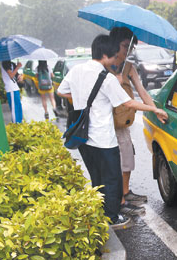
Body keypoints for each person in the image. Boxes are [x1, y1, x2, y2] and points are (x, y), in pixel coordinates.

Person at [57, 34, 168, 229]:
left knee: (97, 178)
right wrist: (154, 109)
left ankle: (99, 212)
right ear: (106, 55)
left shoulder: (77, 70)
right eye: (115, 55)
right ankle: (111, 217)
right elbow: (128, 102)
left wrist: (80, 98)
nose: (116, 59)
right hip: (103, 138)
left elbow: (61, 91)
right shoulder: (106, 78)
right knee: (112, 179)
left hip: (84, 138)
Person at [108, 27, 154, 215]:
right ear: (114, 45)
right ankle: (119, 200)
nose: (127, 51)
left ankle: (125, 193)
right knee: (115, 164)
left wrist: (154, 111)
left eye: (130, 47)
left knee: (127, 159)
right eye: (124, 46)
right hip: (107, 125)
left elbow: (141, 91)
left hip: (123, 122)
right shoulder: (105, 68)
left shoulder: (128, 68)